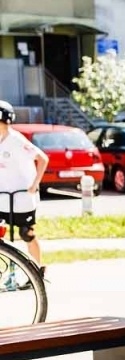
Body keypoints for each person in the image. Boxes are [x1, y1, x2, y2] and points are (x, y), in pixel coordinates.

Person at [0, 100, 48, 267]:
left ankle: (37, 271)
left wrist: (35, 184)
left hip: (22, 199)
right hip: (3, 198)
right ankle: (7, 270)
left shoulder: (16, 140)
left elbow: (42, 159)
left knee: (26, 234)